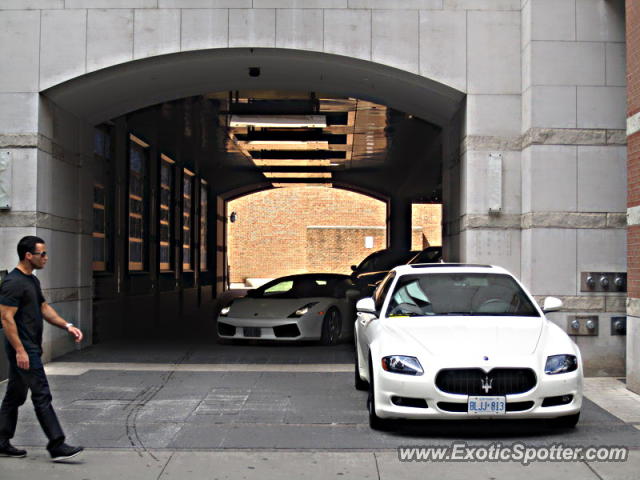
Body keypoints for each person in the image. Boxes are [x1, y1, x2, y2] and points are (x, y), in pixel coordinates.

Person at [0, 236, 84, 462]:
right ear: (29, 256)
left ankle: (1, 441)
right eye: (42, 254)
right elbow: (6, 318)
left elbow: (44, 308)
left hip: (30, 348)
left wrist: (67, 325)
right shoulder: (13, 282)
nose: (46, 258)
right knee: (41, 394)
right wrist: (20, 350)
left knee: (14, 396)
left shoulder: (31, 281)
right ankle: (56, 444)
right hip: (24, 349)